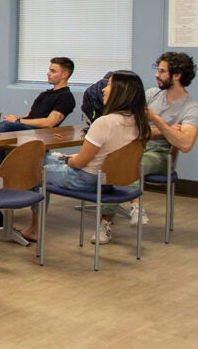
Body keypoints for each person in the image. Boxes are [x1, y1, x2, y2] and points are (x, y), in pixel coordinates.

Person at [37, 70, 150, 245]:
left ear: (121, 92)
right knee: (47, 157)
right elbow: (105, 155)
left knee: (34, 165)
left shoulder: (104, 122)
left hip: (85, 179)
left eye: (109, 85)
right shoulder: (139, 122)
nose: (104, 90)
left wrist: (68, 160)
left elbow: (80, 162)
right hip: (108, 180)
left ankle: (33, 228)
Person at [107, 52, 198, 226]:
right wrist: (165, 131)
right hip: (138, 147)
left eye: (162, 71)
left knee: (130, 163)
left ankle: (117, 214)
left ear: (177, 76)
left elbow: (185, 144)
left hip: (162, 154)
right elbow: (133, 128)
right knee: (115, 160)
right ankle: (130, 209)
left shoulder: (191, 108)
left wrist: (156, 119)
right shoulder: (151, 94)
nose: (157, 75)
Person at [0, 57, 76, 132]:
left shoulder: (66, 96)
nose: (48, 74)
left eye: (53, 71)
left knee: (4, 127)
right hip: (26, 127)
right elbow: (28, 116)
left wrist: (17, 121)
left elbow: (49, 123)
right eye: (49, 70)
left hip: (38, 131)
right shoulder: (44, 94)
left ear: (64, 75)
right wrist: (13, 119)